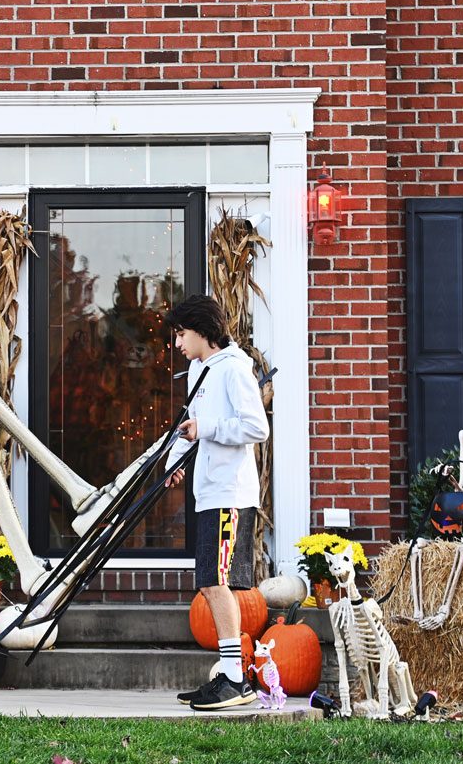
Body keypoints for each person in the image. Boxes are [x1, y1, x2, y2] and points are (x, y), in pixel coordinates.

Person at [163, 294, 269, 710]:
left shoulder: (235, 369)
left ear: (202, 331)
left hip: (229, 492)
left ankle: (234, 679)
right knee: (209, 581)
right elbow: (189, 424)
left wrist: (205, 428)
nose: (177, 343)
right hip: (207, 491)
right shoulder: (198, 371)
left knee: (215, 581)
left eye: (181, 333)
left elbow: (255, 426)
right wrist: (175, 461)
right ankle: (227, 674)